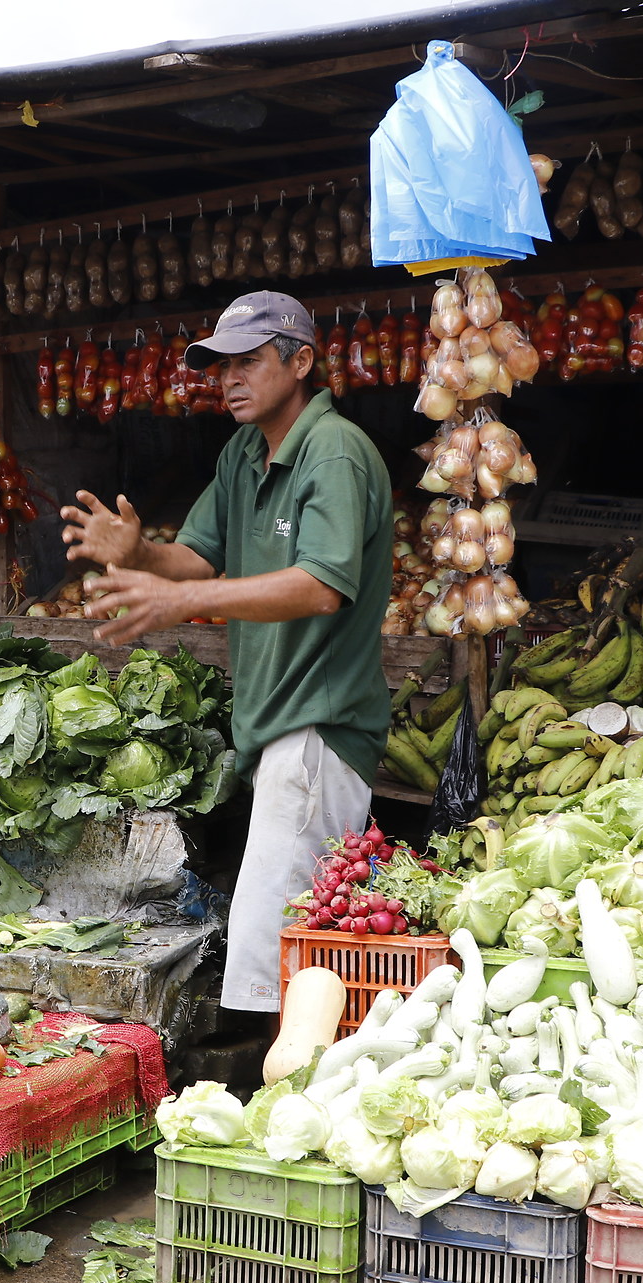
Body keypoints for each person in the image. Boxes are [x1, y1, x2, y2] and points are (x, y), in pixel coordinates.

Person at [62, 292, 394, 1023]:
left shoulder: (333, 452)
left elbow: (320, 587)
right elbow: (194, 556)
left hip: (319, 729)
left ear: (301, 361)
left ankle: (286, 1100)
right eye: (221, 366)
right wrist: (140, 552)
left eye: (248, 361)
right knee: (299, 947)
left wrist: (180, 603)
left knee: (280, 953)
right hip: (277, 732)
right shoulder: (244, 452)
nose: (229, 379)